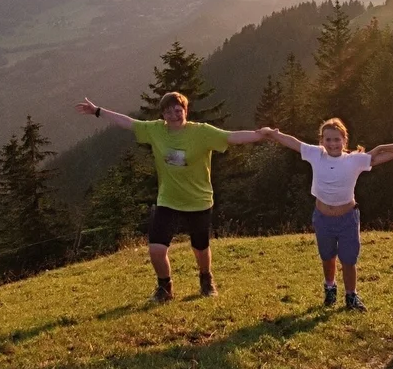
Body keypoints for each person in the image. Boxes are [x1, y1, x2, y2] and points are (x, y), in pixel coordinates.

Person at [77, 91, 262, 300]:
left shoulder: (202, 132)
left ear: (185, 111)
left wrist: (262, 134)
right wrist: (98, 111)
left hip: (198, 200)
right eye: (168, 111)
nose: (174, 114)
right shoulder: (155, 130)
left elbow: (232, 137)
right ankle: (165, 288)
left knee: (200, 248)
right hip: (168, 199)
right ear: (163, 115)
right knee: (156, 248)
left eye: (178, 109)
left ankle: (206, 279)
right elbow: (128, 123)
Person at [258, 118, 393, 310]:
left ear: (344, 140)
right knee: (327, 256)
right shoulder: (316, 154)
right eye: (328, 140)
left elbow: (383, 156)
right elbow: (293, 142)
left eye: (337, 139)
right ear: (322, 141)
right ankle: (330, 288)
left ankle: (351, 296)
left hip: (348, 219)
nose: (333, 144)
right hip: (322, 217)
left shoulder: (354, 160)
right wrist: (273, 134)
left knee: (348, 259)